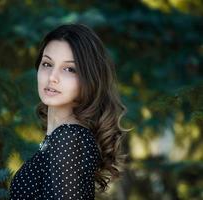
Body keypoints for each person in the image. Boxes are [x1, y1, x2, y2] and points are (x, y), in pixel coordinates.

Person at [9, 23, 129, 200]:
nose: (52, 77)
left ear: (89, 78)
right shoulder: (60, 137)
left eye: (69, 69)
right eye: (47, 64)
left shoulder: (69, 139)